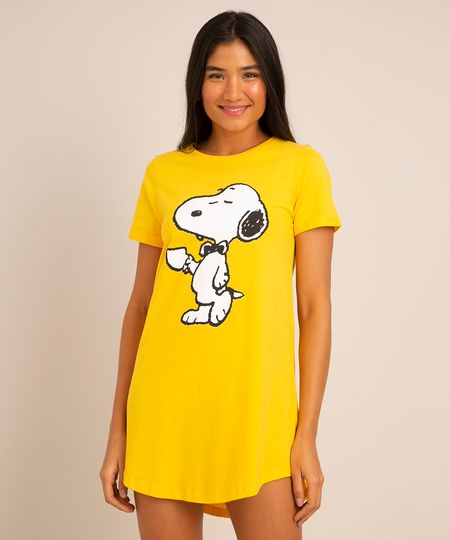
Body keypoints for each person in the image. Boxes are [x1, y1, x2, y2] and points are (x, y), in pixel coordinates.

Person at [100, 10, 342, 540]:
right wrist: (118, 430)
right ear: (198, 83)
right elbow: (141, 306)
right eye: (217, 75)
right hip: (164, 414)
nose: (233, 91)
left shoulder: (300, 168)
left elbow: (314, 307)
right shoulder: (164, 173)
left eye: (249, 74)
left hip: (258, 419)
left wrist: (306, 435)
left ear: (269, 81)